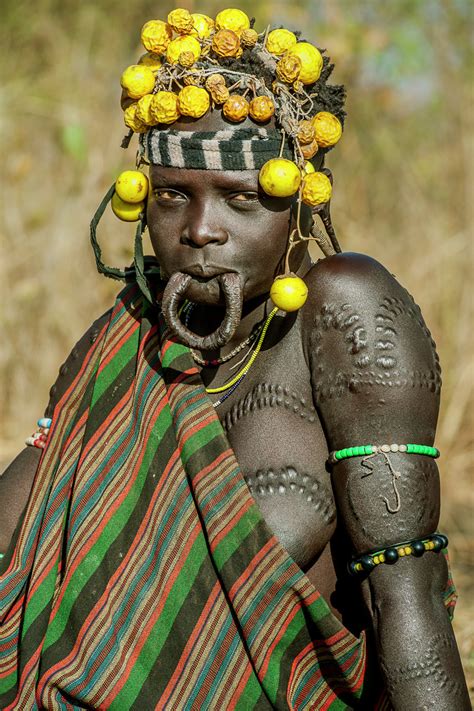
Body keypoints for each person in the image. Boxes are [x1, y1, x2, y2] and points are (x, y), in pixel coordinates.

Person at [0, 8, 469, 710]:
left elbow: (407, 594)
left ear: (298, 208)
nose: (199, 230)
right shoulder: (119, 341)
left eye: (241, 199)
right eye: (170, 196)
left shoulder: (341, 312)